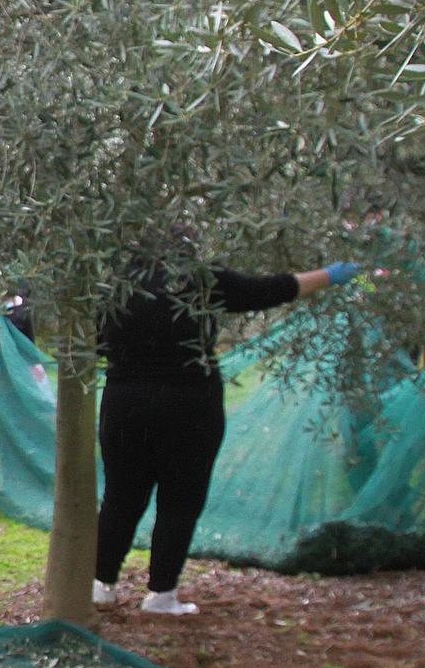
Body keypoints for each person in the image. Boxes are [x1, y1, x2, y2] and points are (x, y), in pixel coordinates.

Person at [93, 244, 358, 615]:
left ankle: (99, 585)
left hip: (125, 402)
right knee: (180, 500)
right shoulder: (200, 277)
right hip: (190, 403)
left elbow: (92, 342)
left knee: (121, 497)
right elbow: (268, 290)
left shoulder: (115, 282)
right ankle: (161, 595)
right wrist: (329, 276)